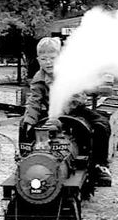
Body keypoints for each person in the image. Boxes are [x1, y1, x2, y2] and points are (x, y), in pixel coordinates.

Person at [19, 36, 111, 186]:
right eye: (43, 59)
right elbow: (34, 101)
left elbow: (75, 96)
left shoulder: (70, 72)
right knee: (24, 125)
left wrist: (60, 116)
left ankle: (99, 165)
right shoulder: (38, 78)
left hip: (76, 110)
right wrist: (29, 120)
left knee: (102, 125)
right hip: (50, 113)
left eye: (52, 58)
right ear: (38, 59)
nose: (48, 62)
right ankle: (26, 159)